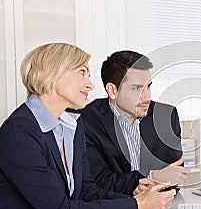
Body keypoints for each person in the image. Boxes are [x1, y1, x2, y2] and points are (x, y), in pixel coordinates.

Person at [0, 43, 176, 209]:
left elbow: (86, 191)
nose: (90, 85)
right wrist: (138, 206)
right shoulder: (20, 132)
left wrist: (137, 196)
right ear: (52, 75)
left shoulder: (71, 126)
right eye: (82, 73)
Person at [80, 50, 190, 196]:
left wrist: (151, 186)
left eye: (148, 86)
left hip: (164, 206)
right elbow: (97, 180)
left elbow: (174, 173)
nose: (146, 97)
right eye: (137, 88)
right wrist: (149, 178)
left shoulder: (166, 116)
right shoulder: (88, 120)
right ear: (112, 91)